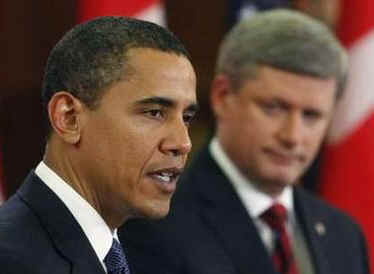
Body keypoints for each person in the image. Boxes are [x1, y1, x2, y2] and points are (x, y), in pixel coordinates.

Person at [119, 9, 369, 274]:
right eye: (274, 108)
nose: (293, 136)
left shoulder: (344, 235)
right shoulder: (152, 222)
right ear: (222, 96)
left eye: (311, 115)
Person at [0, 16, 197, 274]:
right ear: (69, 118)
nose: (183, 143)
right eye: (154, 112)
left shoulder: (141, 253)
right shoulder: (10, 260)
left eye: (187, 118)